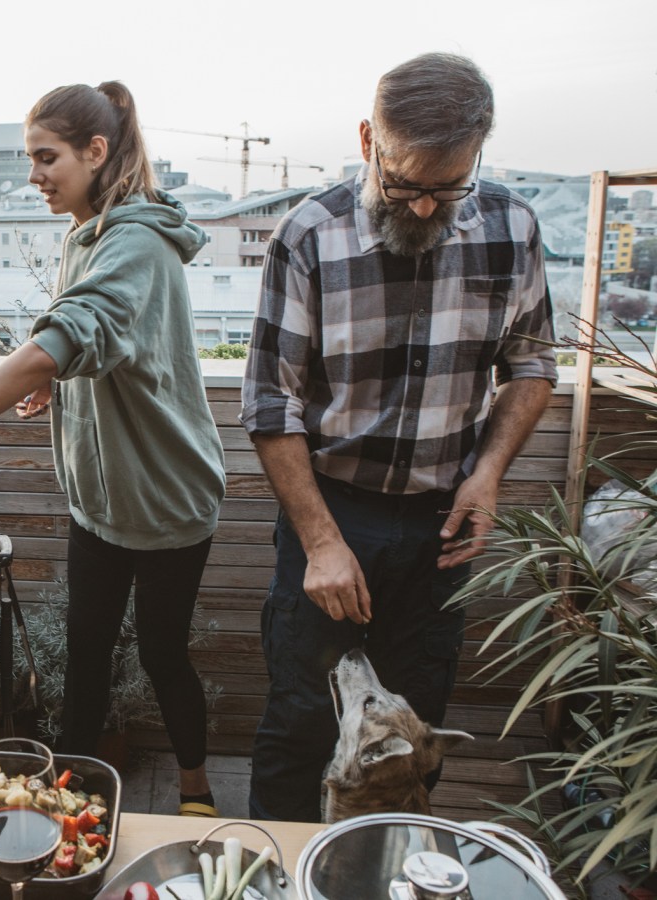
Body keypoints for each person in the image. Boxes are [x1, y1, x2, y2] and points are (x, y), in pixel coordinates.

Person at [0, 81, 227, 817]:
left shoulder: (137, 243)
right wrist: (60, 385)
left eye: (45, 157)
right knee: (85, 657)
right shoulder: (83, 236)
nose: (34, 176)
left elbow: (63, 337)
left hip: (165, 498)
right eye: (30, 159)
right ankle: (71, 807)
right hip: (99, 499)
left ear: (97, 152)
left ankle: (196, 791)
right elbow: (90, 341)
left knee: (160, 656)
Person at [241, 52, 557, 822]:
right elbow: (269, 400)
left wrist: (487, 476)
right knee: (302, 722)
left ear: (478, 154)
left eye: (447, 187)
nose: (423, 208)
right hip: (333, 509)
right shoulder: (309, 233)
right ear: (366, 142)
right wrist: (320, 542)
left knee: (414, 732)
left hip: (443, 518)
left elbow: (533, 363)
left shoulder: (511, 227)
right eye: (404, 184)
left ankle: (381, 864)